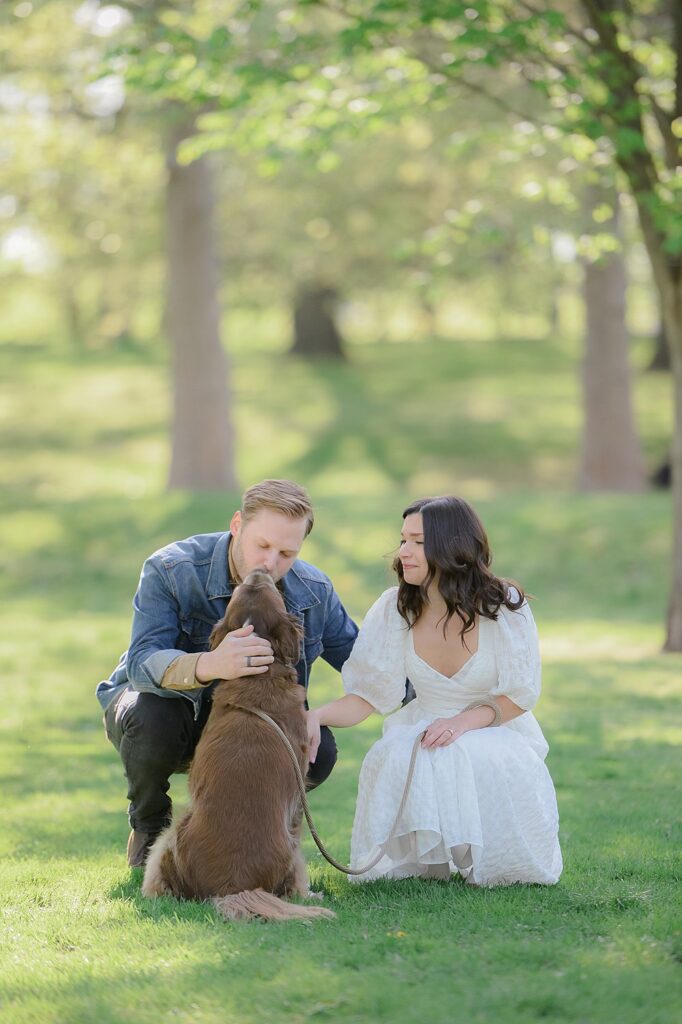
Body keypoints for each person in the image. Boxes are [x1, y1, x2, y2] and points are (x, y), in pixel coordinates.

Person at [97, 479, 358, 868]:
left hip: (245, 729)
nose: (271, 563)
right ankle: (150, 825)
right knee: (153, 716)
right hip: (171, 716)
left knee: (320, 752)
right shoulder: (172, 568)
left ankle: (269, 834)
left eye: (287, 552)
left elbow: (369, 666)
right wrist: (211, 664)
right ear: (237, 525)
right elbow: (140, 663)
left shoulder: (314, 590)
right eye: (263, 546)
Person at [307, 496, 562, 887]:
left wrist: (461, 722)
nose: (403, 552)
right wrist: (315, 716)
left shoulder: (504, 606)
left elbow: (520, 695)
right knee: (397, 752)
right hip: (424, 722)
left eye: (418, 542)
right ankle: (428, 864)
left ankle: (485, 861)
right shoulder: (396, 608)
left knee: (462, 750)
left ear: (452, 546)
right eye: (403, 539)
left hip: (492, 725)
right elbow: (369, 695)